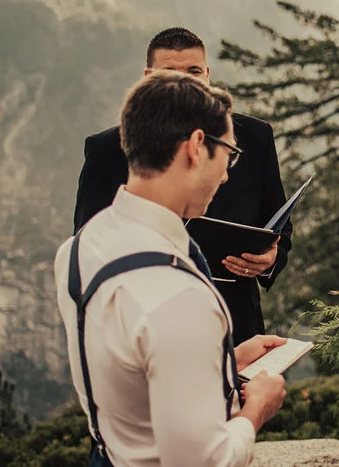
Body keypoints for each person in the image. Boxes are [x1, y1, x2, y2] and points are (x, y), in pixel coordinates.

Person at [55, 70, 287, 466]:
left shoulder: (76, 250)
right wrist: (256, 410)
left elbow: (135, 371)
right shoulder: (180, 297)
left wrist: (224, 365)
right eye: (229, 154)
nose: (228, 173)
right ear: (198, 146)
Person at [74, 27, 291, 344]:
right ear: (148, 79)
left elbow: (279, 225)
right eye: (170, 74)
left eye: (193, 72)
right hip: (148, 330)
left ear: (207, 74)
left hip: (237, 326)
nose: (185, 85)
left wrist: (270, 260)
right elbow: (89, 242)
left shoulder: (254, 137)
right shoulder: (108, 149)